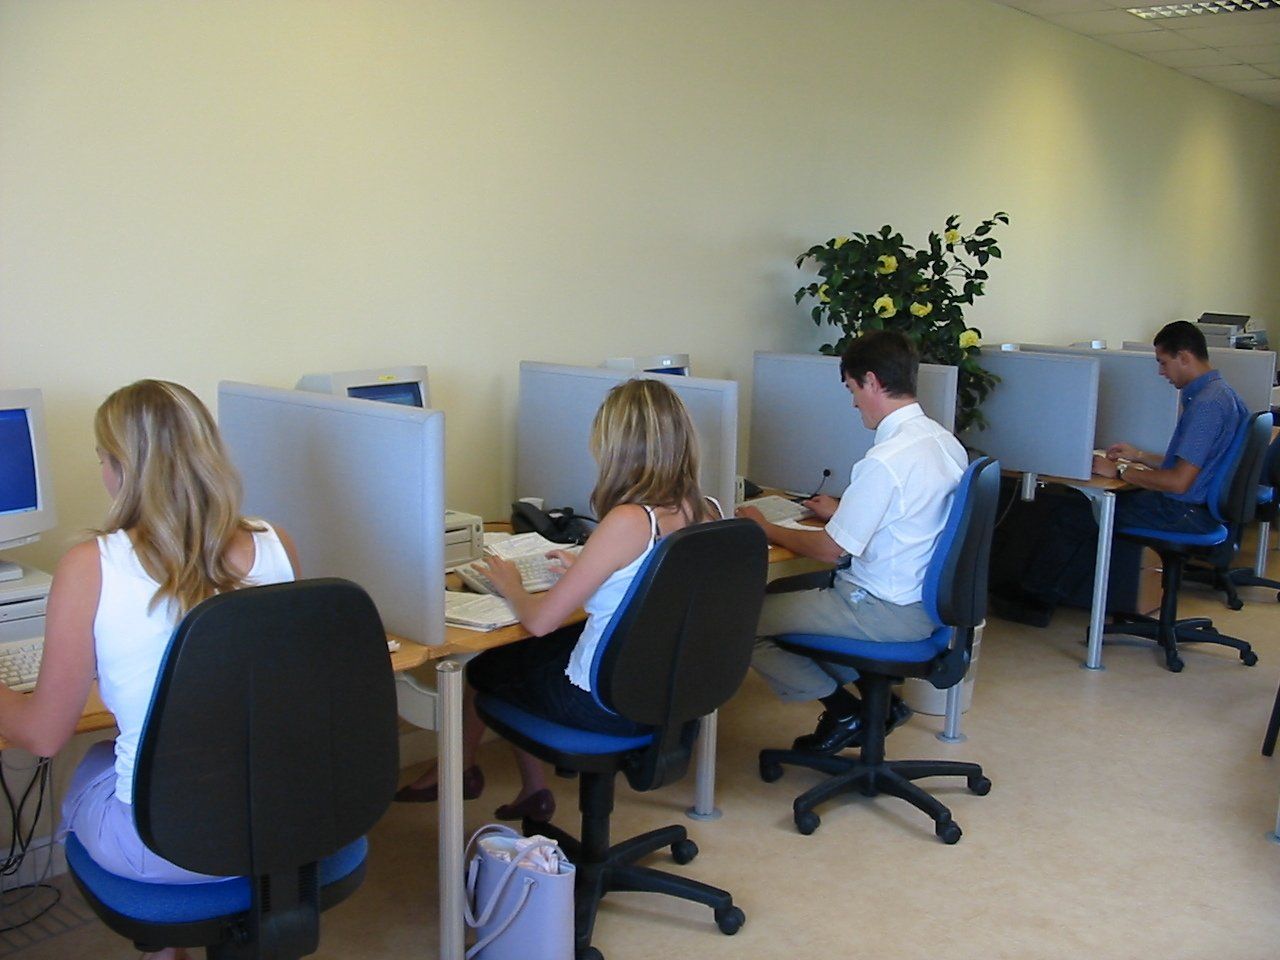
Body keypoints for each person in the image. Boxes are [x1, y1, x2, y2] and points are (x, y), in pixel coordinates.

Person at [0, 380, 300, 960]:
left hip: (169, 849)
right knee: (111, 752)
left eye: (102, 460)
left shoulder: (91, 565)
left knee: (90, 767)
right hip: (287, 824)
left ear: (120, 468)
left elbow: (42, 735)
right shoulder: (276, 542)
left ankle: (165, 949)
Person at [394, 377, 721, 821]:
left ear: (619, 446)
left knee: (489, 665)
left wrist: (510, 583)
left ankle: (479, 776)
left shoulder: (630, 520)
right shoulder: (708, 511)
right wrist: (591, 572)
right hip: (666, 696)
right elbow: (653, 589)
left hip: (605, 704)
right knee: (528, 654)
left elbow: (540, 621)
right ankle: (527, 788)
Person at [737, 330, 966, 756]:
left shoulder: (885, 460)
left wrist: (763, 528)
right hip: (926, 605)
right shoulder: (944, 442)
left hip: (883, 610)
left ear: (872, 382)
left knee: (738, 620)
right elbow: (914, 515)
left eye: (852, 388)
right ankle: (883, 707)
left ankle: (845, 713)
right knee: (792, 599)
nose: (853, 402)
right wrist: (844, 510)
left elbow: (831, 550)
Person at [992, 320, 1248, 627]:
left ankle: (1035, 602)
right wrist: (1139, 456)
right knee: (1085, 509)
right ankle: (1048, 594)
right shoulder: (1223, 394)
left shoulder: (1206, 406)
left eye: (1163, 363)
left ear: (1184, 357)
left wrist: (1121, 471)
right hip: (1200, 509)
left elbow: (1179, 482)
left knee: (1074, 514)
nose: (1161, 372)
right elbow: (1192, 464)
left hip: (1182, 511)